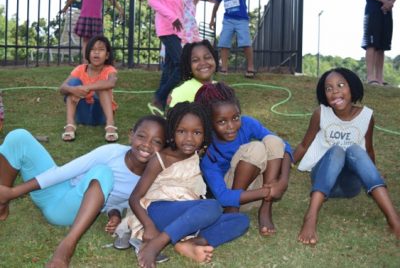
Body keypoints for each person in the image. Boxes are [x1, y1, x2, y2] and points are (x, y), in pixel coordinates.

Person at [0, 115, 166, 267]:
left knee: (102, 172)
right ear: (131, 135)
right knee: (19, 137)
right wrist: (14, 192)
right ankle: (2, 204)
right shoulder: (112, 152)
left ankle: (65, 249)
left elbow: (123, 202)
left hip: (67, 210)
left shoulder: (150, 179)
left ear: (164, 147)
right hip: (55, 189)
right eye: (142, 136)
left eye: (156, 141)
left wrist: (113, 213)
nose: (147, 144)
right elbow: (62, 173)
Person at [128, 102, 249, 267]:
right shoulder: (160, 159)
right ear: (172, 131)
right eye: (181, 131)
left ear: (205, 134)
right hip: (158, 212)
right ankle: (157, 243)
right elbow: (135, 198)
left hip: (186, 216)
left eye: (197, 132)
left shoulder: (195, 156)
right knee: (213, 206)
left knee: (240, 220)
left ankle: (189, 243)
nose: (189, 139)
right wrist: (148, 226)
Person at [293, 67, 400, 245]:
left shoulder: (367, 116)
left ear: (352, 87)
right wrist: (285, 166)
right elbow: (304, 145)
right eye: (329, 88)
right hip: (323, 179)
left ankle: (394, 220)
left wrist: (373, 173)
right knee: (336, 150)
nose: (335, 91)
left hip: (349, 187)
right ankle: (310, 218)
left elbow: (369, 150)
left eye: (341, 85)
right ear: (324, 94)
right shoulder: (321, 113)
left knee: (356, 150)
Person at [195, 82, 293, 236]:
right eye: (222, 121)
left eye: (235, 118)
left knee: (273, 140)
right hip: (235, 198)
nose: (231, 126)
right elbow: (222, 196)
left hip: (259, 193)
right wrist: (266, 191)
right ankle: (233, 210)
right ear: (208, 122)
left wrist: (283, 181)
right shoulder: (208, 152)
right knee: (256, 148)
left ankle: (266, 208)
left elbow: (284, 146)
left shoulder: (247, 124)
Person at [60, 35, 119, 142]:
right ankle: (70, 125)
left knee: (103, 85)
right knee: (73, 84)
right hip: (82, 114)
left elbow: (111, 83)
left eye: (101, 50)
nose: (96, 52)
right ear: (88, 53)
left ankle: (110, 125)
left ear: (107, 55)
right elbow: (62, 88)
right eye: (93, 49)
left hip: (100, 115)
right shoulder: (80, 69)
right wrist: (74, 90)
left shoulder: (109, 69)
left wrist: (87, 87)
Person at [146, 0, 184, 115]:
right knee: (182, 66)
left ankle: (159, 107)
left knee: (169, 68)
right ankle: (159, 96)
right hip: (167, 28)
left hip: (176, 30)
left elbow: (176, 4)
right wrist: (173, 18)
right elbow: (152, 0)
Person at [60, 0, 124, 62]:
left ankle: (94, 60)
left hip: (95, 18)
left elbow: (111, 0)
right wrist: (65, 8)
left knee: (95, 41)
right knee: (86, 41)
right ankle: (85, 61)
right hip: (86, 16)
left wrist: (119, 9)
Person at [209, 0, 255, 78]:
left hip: (241, 19)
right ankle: (224, 69)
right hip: (228, 19)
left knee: (246, 43)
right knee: (224, 43)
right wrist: (212, 19)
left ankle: (250, 68)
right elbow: (216, 3)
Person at [361, 0, 398, 86]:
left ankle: (379, 78)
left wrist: (390, 2)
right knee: (371, 44)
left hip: (387, 10)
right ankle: (370, 77)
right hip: (373, 10)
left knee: (382, 46)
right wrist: (384, 1)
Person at [167, 39, 218, 109]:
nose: (203, 63)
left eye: (207, 57)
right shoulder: (181, 92)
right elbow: (175, 118)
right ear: (188, 65)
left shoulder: (220, 88)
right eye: (195, 60)